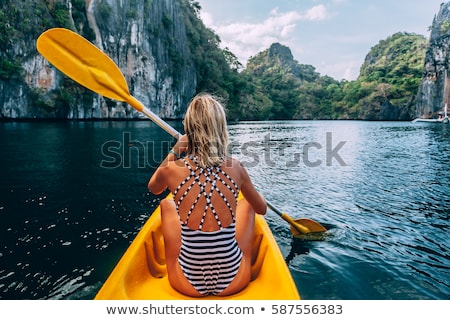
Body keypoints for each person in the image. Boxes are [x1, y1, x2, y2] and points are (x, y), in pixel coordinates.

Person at [148, 93, 266, 297]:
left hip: (186, 283)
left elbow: (154, 188)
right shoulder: (235, 167)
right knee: (247, 205)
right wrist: (247, 186)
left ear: (188, 130)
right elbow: (262, 209)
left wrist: (176, 150)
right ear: (221, 129)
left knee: (167, 206)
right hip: (234, 280)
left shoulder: (171, 170)